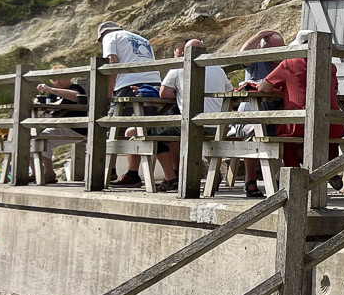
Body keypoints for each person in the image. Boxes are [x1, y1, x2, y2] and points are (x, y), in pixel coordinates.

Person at [154, 40, 233, 189]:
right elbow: (230, 93)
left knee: (153, 132)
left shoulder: (179, 68)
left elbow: (163, 93)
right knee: (175, 131)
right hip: (217, 125)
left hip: (192, 125)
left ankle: (171, 178)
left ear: (184, 52)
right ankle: (212, 172)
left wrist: (180, 93)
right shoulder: (218, 69)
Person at [263, 36, 344, 170]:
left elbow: (263, 88)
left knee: (284, 136)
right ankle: (328, 168)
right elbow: (335, 89)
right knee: (327, 133)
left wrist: (283, 88)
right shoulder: (330, 67)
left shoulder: (289, 63)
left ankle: (293, 173)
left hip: (300, 124)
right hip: (334, 124)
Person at [98, 19, 161, 188]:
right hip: (154, 84)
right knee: (144, 128)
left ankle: (108, 171)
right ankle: (133, 173)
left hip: (128, 82)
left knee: (110, 128)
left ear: (103, 34)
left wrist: (109, 90)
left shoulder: (109, 36)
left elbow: (112, 61)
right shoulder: (142, 39)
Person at [232, 30, 286, 197]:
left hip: (274, 116)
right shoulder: (256, 63)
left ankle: (278, 178)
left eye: (281, 49)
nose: (278, 53)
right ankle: (250, 180)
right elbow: (242, 56)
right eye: (273, 49)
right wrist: (260, 34)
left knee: (295, 130)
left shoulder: (284, 63)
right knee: (255, 131)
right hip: (249, 117)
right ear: (264, 49)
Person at [33, 66, 88, 184]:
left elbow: (76, 96)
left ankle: (48, 173)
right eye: (54, 79)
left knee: (43, 138)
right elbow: (49, 110)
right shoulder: (52, 94)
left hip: (76, 128)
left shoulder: (75, 88)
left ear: (69, 77)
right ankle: (37, 172)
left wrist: (51, 90)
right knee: (29, 136)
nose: (57, 82)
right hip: (59, 126)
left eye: (60, 78)